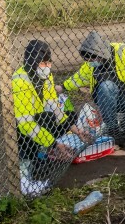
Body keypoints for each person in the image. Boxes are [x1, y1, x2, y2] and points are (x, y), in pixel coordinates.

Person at [60, 31, 125, 151]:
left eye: (92, 58)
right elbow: (80, 77)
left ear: (101, 53)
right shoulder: (92, 61)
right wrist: (62, 86)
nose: (91, 62)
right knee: (106, 86)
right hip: (112, 100)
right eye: (87, 59)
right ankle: (112, 129)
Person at [13, 40, 91, 179]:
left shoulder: (46, 76)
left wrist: (77, 131)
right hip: (14, 129)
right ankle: (32, 156)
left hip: (34, 122)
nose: (47, 67)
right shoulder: (19, 82)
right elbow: (25, 124)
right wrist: (55, 144)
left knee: (69, 115)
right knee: (46, 118)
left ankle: (44, 149)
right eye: (42, 63)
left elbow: (54, 107)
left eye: (48, 63)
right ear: (32, 62)